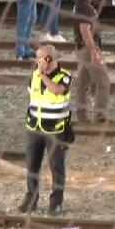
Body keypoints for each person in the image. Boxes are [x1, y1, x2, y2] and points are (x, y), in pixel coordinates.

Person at [19, 44, 74, 216]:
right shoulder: (34, 75)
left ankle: (56, 202)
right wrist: (40, 75)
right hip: (35, 127)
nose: (37, 61)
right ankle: (31, 200)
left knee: (56, 167)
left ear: (48, 59)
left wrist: (43, 75)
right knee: (32, 166)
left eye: (39, 58)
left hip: (55, 129)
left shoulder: (64, 76)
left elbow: (57, 90)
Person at [72, 0, 110, 122]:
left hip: (81, 49)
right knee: (103, 82)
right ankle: (101, 116)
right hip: (88, 49)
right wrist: (94, 51)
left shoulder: (79, 4)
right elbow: (85, 31)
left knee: (83, 83)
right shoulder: (85, 8)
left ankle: (81, 115)